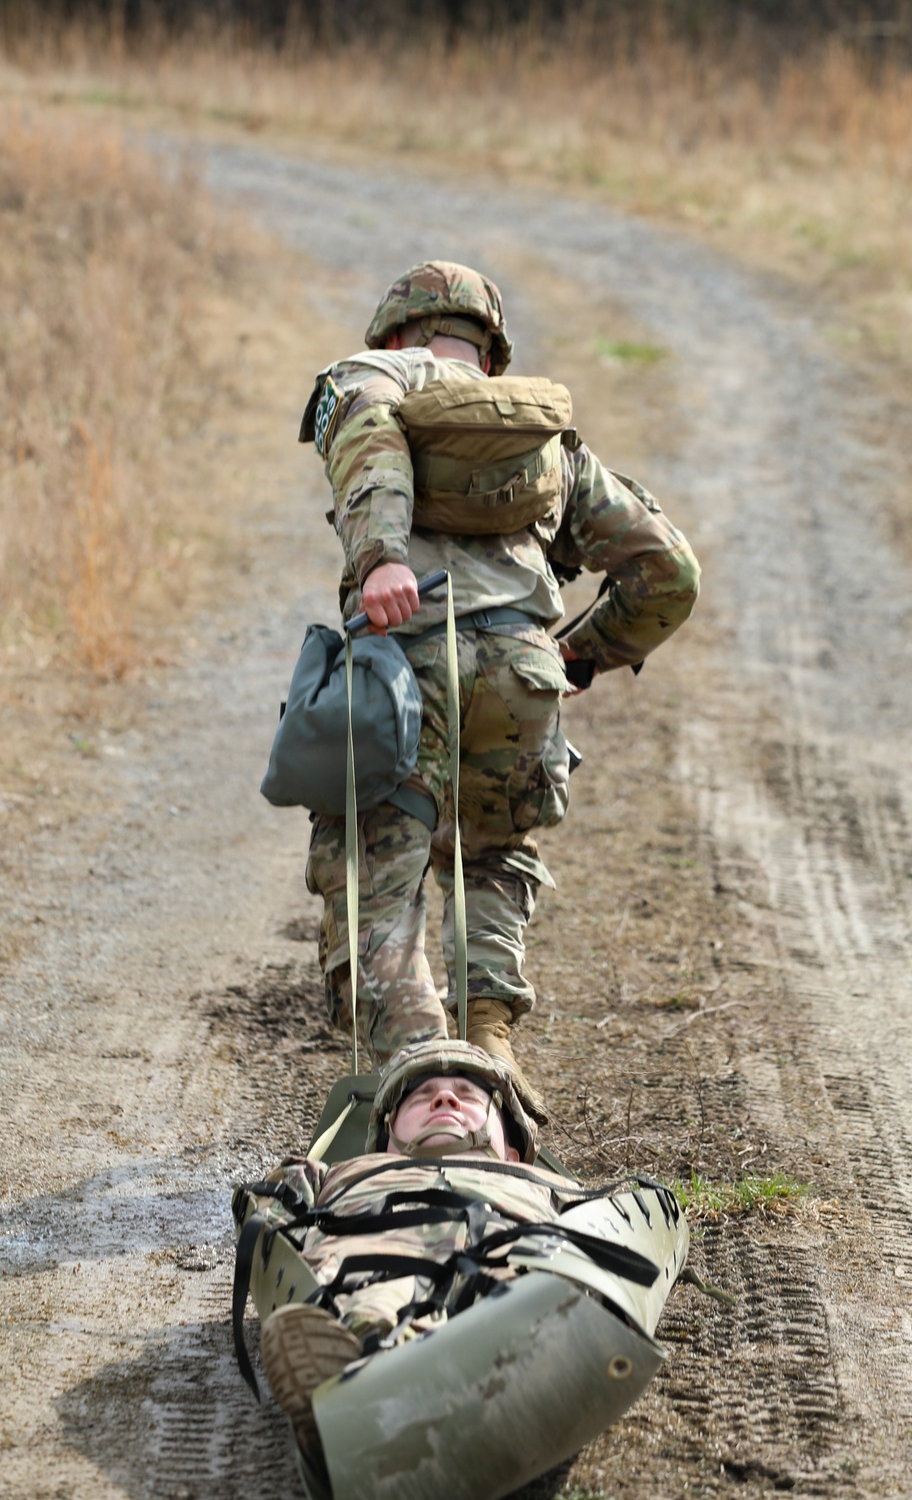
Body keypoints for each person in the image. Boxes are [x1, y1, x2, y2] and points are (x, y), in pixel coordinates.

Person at [298, 261, 701, 1116]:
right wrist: (577, 656)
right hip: (521, 674)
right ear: (489, 349)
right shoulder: (541, 433)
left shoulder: (371, 378)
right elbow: (669, 571)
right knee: (492, 856)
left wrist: (381, 559)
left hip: (402, 665)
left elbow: (369, 443)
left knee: (379, 867)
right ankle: (490, 1053)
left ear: (398, 332)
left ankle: (415, 1078)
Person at [237, 1040, 588, 1466]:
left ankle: (376, 1401)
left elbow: (628, 1225)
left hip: (507, 1267)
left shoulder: (548, 1187)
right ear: (387, 1143)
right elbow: (265, 1215)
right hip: (372, 1269)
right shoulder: (339, 1174)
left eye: (469, 1095)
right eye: (422, 1096)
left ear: (513, 1154)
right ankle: (366, 1378)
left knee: (527, 1304)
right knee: (372, 1307)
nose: (444, 1098)